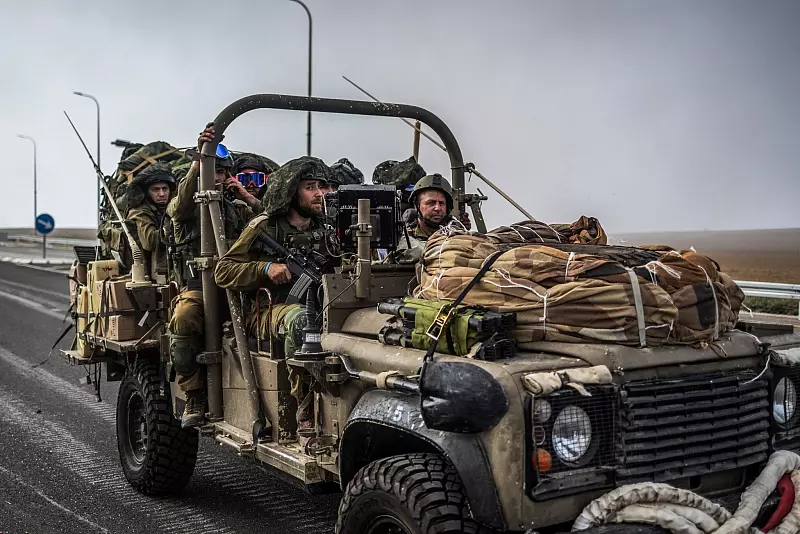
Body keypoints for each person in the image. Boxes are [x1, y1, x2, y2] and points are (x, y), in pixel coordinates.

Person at [215, 156, 334, 434]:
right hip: (267, 311)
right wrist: (266, 268)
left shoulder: (327, 227)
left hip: (322, 303)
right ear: (291, 191)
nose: (319, 193)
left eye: (322, 186)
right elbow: (223, 271)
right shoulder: (264, 226)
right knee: (302, 321)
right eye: (310, 187)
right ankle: (306, 407)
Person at [165, 123, 260, 428]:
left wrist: (246, 196)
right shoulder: (186, 208)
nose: (216, 177)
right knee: (184, 318)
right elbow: (179, 207)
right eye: (212, 171)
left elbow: (266, 223)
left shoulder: (235, 208)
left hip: (236, 285)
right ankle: (194, 394)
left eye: (221, 172)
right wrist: (199, 161)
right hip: (198, 286)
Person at [395, 174, 467, 263]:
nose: (437, 208)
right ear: (417, 206)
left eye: (441, 203)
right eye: (431, 203)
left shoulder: (458, 236)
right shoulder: (403, 239)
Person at [126, 163, 176, 283]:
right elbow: (150, 241)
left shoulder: (170, 205)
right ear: (147, 192)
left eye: (165, 189)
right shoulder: (139, 211)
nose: (162, 194)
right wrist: (173, 223)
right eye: (155, 190)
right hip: (149, 275)